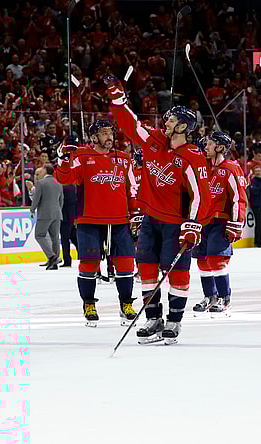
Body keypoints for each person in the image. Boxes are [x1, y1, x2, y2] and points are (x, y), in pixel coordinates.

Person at [106, 75, 211, 345]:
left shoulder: (193, 156)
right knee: (147, 269)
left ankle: (174, 320)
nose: (166, 122)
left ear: (183, 126)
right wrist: (118, 101)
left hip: (176, 224)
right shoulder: (154, 141)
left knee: (177, 272)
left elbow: (201, 195)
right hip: (151, 220)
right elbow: (131, 126)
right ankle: (153, 318)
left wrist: (193, 225)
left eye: (172, 120)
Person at [54, 120, 139, 327]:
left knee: (126, 264)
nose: (109, 137)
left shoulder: (124, 158)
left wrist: (135, 213)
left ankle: (126, 304)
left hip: (119, 220)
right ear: (93, 137)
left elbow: (132, 188)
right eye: (104, 133)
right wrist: (63, 158)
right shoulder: (81, 155)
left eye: (110, 133)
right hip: (89, 219)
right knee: (89, 264)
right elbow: (65, 179)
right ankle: (89, 304)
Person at [192, 132, 247, 314]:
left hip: (220, 221)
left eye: (209, 144)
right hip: (202, 221)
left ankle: (224, 297)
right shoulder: (202, 167)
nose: (206, 147)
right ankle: (210, 296)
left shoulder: (231, 168)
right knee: (202, 260)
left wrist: (236, 223)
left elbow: (238, 198)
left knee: (215, 260)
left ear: (220, 147)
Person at [30, 163, 64, 270]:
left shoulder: (41, 183)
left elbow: (36, 198)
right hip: (57, 213)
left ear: (45, 170)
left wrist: (32, 209)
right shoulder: (58, 183)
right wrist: (58, 211)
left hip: (45, 213)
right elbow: (61, 200)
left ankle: (52, 257)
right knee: (55, 238)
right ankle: (54, 262)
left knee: (39, 235)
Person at [247, 166, 261, 248]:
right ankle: (257, 241)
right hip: (256, 205)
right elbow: (255, 191)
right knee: (259, 223)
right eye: (256, 171)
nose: (258, 172)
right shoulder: (253, 181)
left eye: (259, 171)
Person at [60, 182, 79, 268]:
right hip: (72, 216)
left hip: (65, 217)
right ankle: (82, 254)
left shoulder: (63, 187)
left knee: (65, 239)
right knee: (73, 237)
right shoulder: (72, 186)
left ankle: (67, 260)